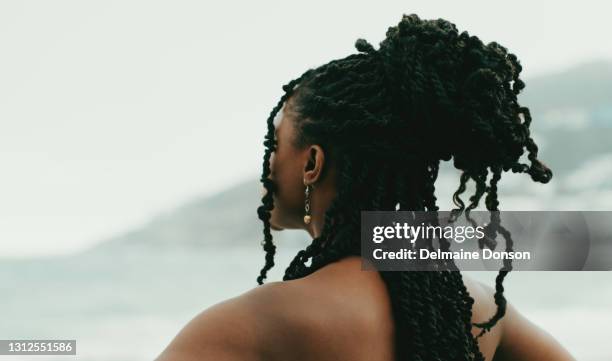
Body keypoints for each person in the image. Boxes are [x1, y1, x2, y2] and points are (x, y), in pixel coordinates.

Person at [156, 14, 575, 361]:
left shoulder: (252, 323)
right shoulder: (476, 309)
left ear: (312, 163)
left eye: (275, 143)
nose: (266, 161)